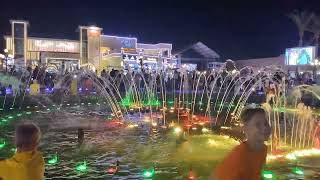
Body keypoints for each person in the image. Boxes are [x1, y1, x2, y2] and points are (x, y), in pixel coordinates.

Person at [210, 107, 271, 180]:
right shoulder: (240, 156)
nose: (264, 127)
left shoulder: (263, 149)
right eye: (258, 124)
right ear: (246, 129)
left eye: (266, 123)